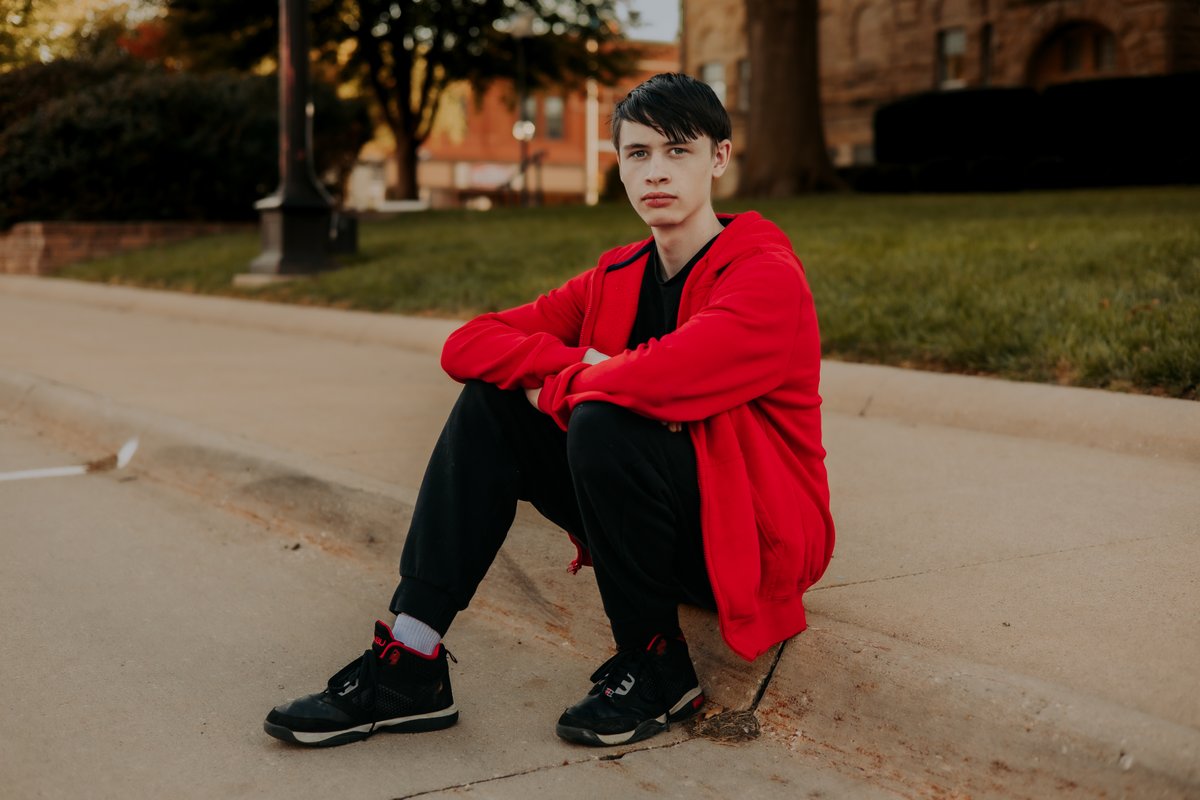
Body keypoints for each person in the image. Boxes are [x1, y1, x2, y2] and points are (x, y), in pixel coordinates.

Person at [264, 72, 835, 749]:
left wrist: (564, 384)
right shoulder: (615, 277)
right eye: (638, 153)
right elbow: (469, 343)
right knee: (492, 403)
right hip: (657, 524)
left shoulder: (765, 274)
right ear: (619, 165)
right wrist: (578, 365)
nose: (656, 171)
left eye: (678, 151)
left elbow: (664, 378)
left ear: (719, 158)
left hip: (753, 541)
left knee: (604, 419)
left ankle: (656, 664)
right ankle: (410, 661)